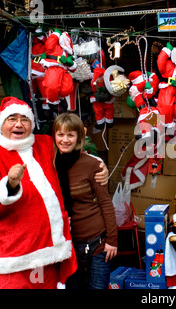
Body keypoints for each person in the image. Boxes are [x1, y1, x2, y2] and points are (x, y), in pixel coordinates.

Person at [0, 96, 109, 289]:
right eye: (12, 119)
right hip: (13, 259)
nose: (19, 124)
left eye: (24, 119)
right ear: (1, 123)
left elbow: (71, 150)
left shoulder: (44, 144)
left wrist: (100, 166)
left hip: (49, 255)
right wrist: (8, 184)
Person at [53, 113, 118, 289]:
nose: (65, 140)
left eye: (70, 135)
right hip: (67, 245)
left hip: (96, 243)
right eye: (61, 134)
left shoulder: (91, 165)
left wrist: (111, 240)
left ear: (79, 137)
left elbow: (105, 203)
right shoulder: (49, 164)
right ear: (54, 136)